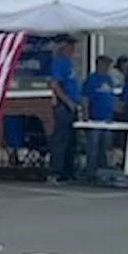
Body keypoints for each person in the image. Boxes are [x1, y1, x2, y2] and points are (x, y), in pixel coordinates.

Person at [46, 34, 79, 184]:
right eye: (70, 46)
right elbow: (55, 85)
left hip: (72, 106)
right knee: (61, 139)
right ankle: (55, 172)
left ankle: (68, 171)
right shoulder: (59, 62)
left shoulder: (69, 63)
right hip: (63, 106)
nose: (73, 49)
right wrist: (68, 102)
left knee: (71, 140)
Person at [81, 55, 115, 179]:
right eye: (105, 64)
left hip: (107, 119)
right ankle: (91, 172)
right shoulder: (91, 79)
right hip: (95, 119)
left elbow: (111, 98)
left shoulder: (109, 79)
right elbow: (85, 98)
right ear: (99, 64)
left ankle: (103, 171)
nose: (107, 67)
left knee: (106, 147)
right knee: (93, 147)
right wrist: (86, 115)